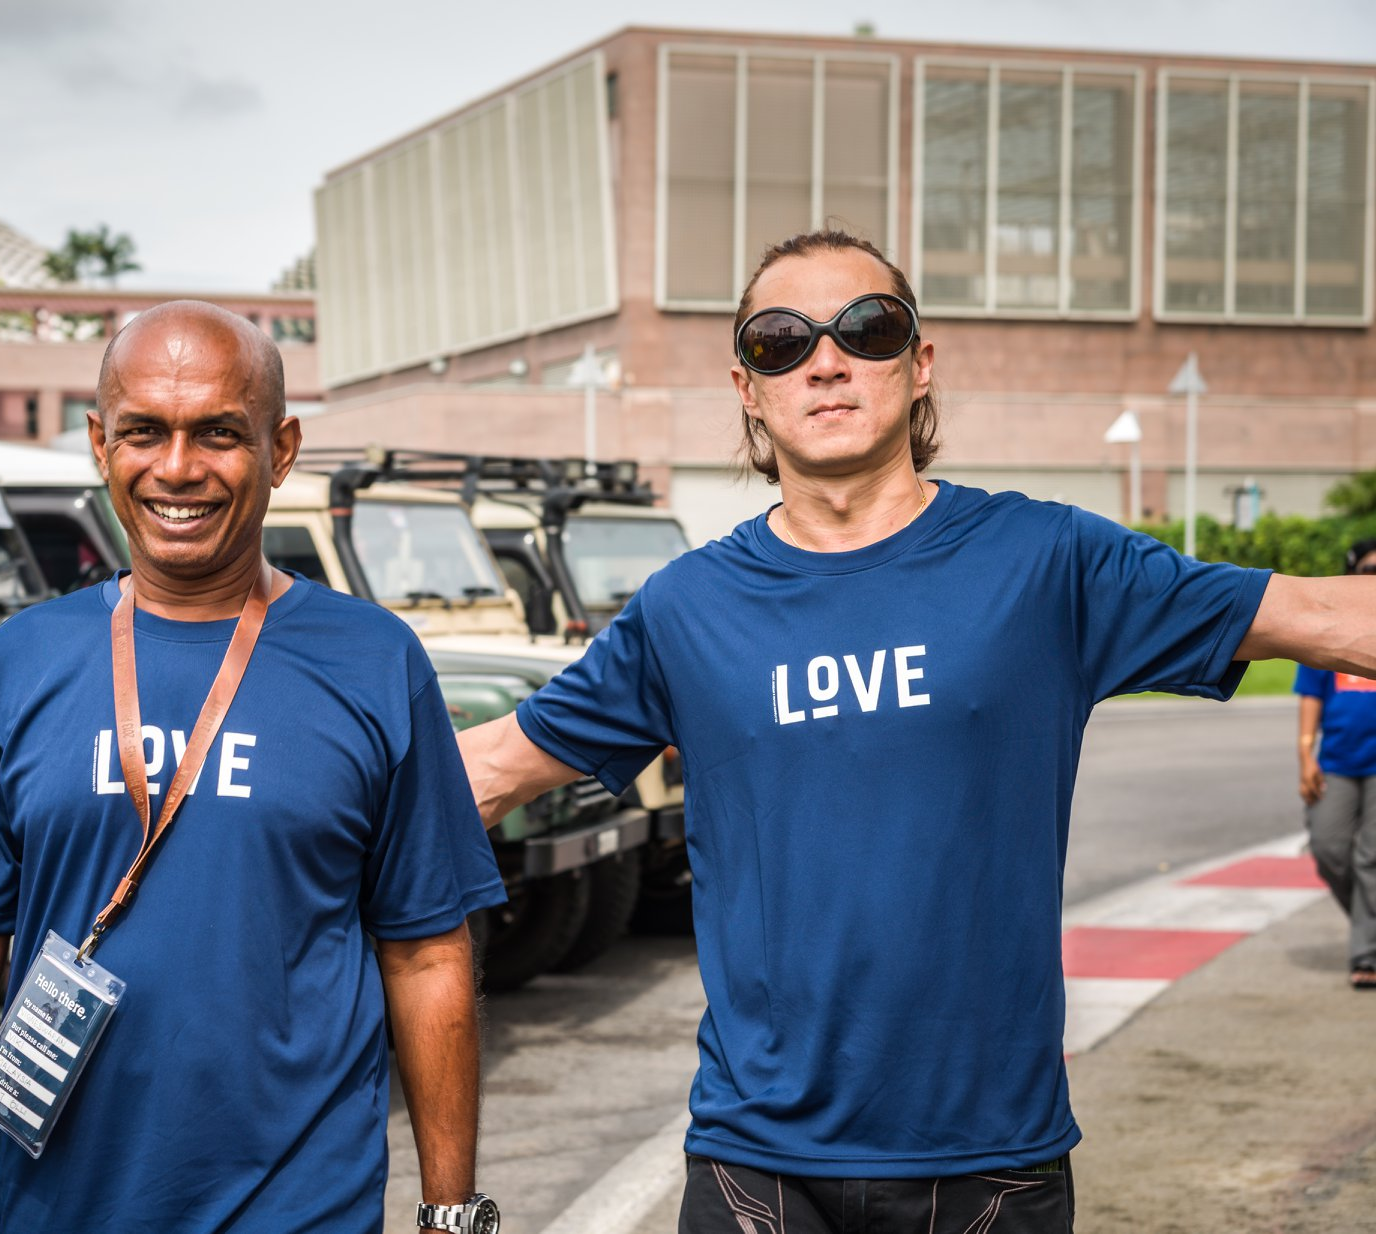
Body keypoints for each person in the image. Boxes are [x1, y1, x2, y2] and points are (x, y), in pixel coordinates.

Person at [457, 230, 1376, 1233]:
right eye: (781, 340)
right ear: (747, 388)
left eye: (867, 326)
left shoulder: (1043, 561)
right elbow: (489, 771)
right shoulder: (685, 610)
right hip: (757, 1167)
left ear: (919, 363)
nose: (826, 358)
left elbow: (1326, 618)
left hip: (990, 1168)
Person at [0, 301, 507, 1234]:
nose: (179, 468)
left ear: (282, 448)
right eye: (145, 432)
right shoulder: (20, 662)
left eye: (219, 433)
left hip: (301, 1210)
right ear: (101, 445)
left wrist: (449, 1214)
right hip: (61, 1210)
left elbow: (427, 951)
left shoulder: (375, 662)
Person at [1296, 537, 1376, 990]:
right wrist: (1304, 752)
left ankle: (1367, 952)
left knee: (1372, 858)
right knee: (1329, 849)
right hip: (1339, 761)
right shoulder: (1332, 629)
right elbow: (1310, 695)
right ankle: (1371, 923)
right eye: (1368, 570)